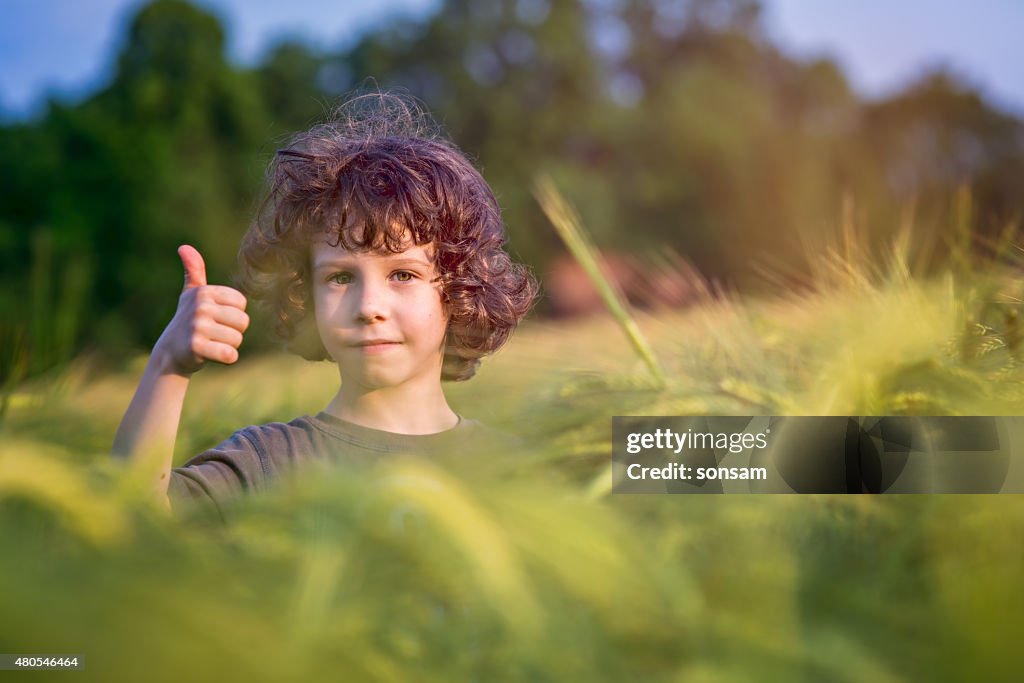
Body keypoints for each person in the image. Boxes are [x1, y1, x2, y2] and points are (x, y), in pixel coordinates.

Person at [111, 92, 538, 521]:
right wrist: (167, 364)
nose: (369, 306)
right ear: (306, 295)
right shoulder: (269, 463)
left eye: (402, 275)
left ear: (457, 289)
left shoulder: (519, 470)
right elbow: (131, 527)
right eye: (340, 278)